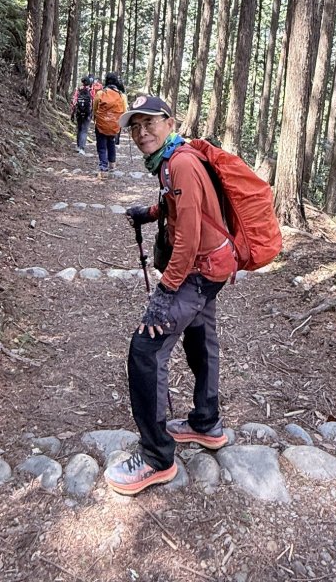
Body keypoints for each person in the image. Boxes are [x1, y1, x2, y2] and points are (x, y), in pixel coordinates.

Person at [104, 94, 235, 496]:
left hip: (198, 269)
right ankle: (206, 423)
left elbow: (190, 237)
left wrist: (164, 291)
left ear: (169, 122)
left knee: (145, 350)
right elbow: (184, 207)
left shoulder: (180, 163)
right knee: (199, 336)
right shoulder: (173, 160)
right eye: (135, 127)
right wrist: (152, 212)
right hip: (214, 266)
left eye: (149, 123)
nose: (142, 132)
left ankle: (157, 458)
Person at [92, 71, 127, 178]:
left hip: (101, 124)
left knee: (102, 146)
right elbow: (124, 110)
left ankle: (103, 169)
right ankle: (112, 164)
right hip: (114, 124)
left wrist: (96, 118)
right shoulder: (122, 95)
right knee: (111, 143)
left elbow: (95, 108)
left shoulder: (100, 93)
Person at [70, 74, 94, 154]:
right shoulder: (91, 90)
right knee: (84, 130)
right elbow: (93, 102)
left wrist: (72, 113)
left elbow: (74, 101)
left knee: (79, 128)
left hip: (79, 112)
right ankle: (82, 148)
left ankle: (78, 146)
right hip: (87, 113)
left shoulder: (78, 90)